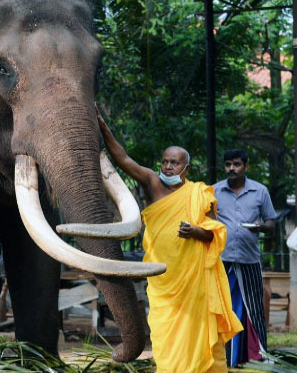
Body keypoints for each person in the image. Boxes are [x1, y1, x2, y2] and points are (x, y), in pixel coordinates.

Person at [97, 112, 242, 373]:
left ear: (186, 168)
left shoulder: (200, 193)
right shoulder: (153, 182)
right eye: (164, 162)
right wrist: (102, 127)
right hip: (163, 279)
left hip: (193, 281)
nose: (167, 167)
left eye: (174, 163)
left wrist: (196, 231)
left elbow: (215, 232)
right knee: (165, 333)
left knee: (197, 333)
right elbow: (123, 159)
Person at [213, 149, 277, 366]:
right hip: (222, 261)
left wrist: (261, 227)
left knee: (254, 309)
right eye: (228, 164)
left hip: (249, 260)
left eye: (237, 164)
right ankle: (224, 358)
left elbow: (271, 222)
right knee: (223, 310)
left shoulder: (260, 191)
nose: (232, 168)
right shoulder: (214, 191)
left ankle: (258, 356)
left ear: (245, 167)